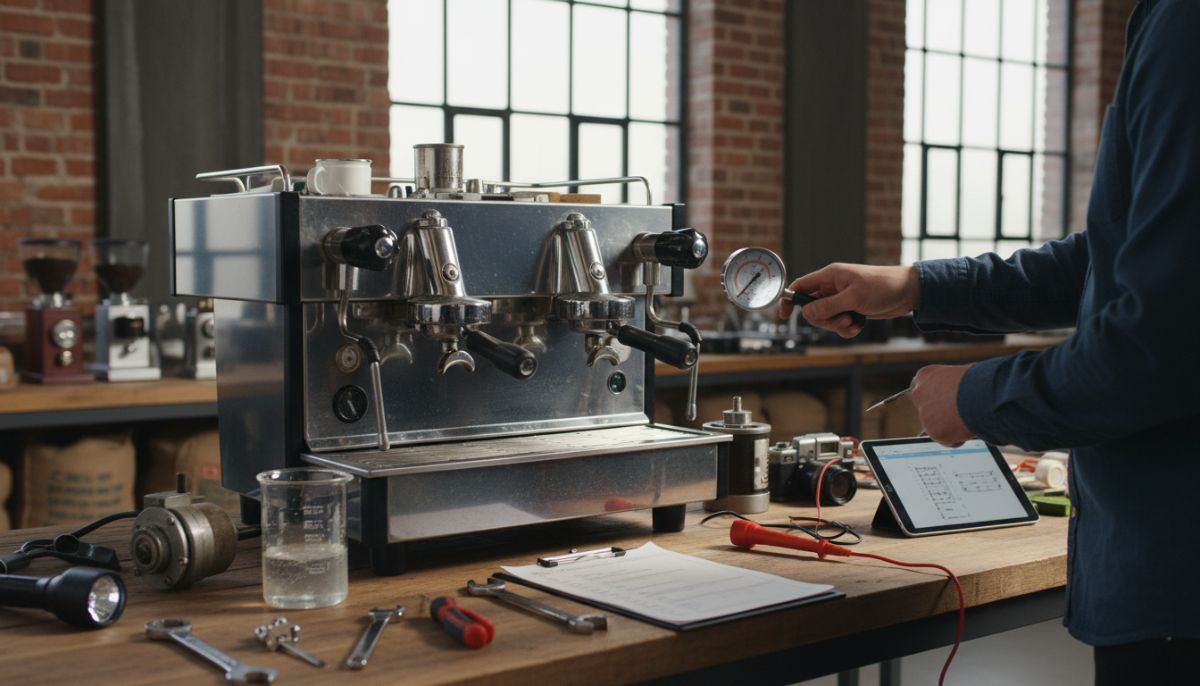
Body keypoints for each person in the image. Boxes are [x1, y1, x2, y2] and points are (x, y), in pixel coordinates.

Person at [781, 1, 1199, 683]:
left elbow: (1158, 345)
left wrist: (977, 397)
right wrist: (914, 285)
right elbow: (1115, 255)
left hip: (1178, 591)